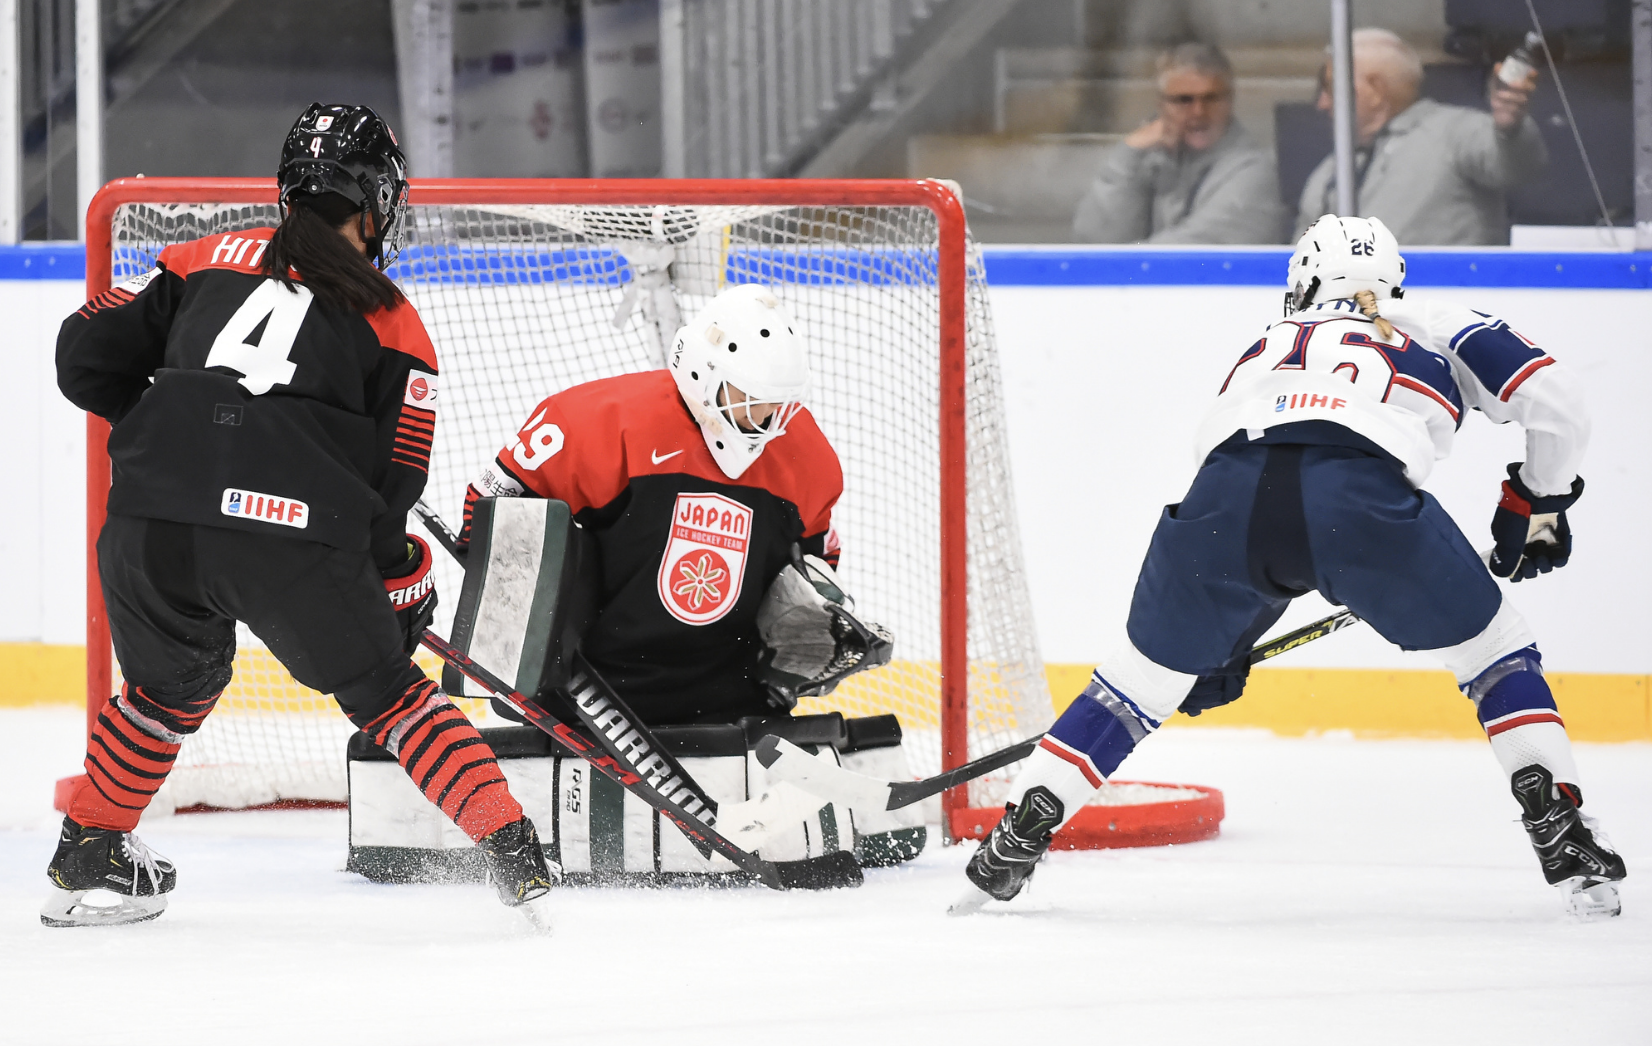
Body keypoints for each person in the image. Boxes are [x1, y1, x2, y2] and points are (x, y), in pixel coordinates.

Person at [959, 215, 1626, 920]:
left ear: (1303, 282)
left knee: (1129, 690)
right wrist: (1537, 498)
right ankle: (1560, 824)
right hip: (1361, 501)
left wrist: (1221, 640)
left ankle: (1016, 835)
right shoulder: (1430, 321)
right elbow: (1561, 402)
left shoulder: (1266, 345)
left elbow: (1267, 486)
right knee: (1495, 657)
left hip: (1224, 501)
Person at [47, 103, 554, 928]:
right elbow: (390, 497)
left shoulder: (196, 256)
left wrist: (167, 424)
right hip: (288, 539)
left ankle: (89, 846)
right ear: (377, 200)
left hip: (150, 522)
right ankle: (514, 854)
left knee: (166, 691)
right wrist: (401, 584)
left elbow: (81, 356)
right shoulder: (395, 321)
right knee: (392, 698)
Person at [456, 282, 850, 726]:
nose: (768, 421)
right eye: (753, 401)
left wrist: (812, 621)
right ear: (704, 375)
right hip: (587, 700)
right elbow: (489, 517)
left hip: (730, 702)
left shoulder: (805, 458)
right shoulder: (595, 425)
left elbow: (814, 565)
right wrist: (529, 646)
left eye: (779, 404)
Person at [1295, 28, 1547, 245]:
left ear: (1375, 90)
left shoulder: (1455, 133)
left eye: (1330, 88)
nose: (1322, 103)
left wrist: (1509, 128)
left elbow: (1515, 168)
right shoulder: (1329, 171)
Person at [1072, 42, 1285, 245]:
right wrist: (1127, 158)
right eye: (1184, 100)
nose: (1199, 112)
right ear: (1161, 105)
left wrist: (1123, 261)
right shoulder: (1150, 158)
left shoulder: (1254, 173)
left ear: (1230, 101)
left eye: (1211, 99)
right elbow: (1094, 243)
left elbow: (1192, 255)